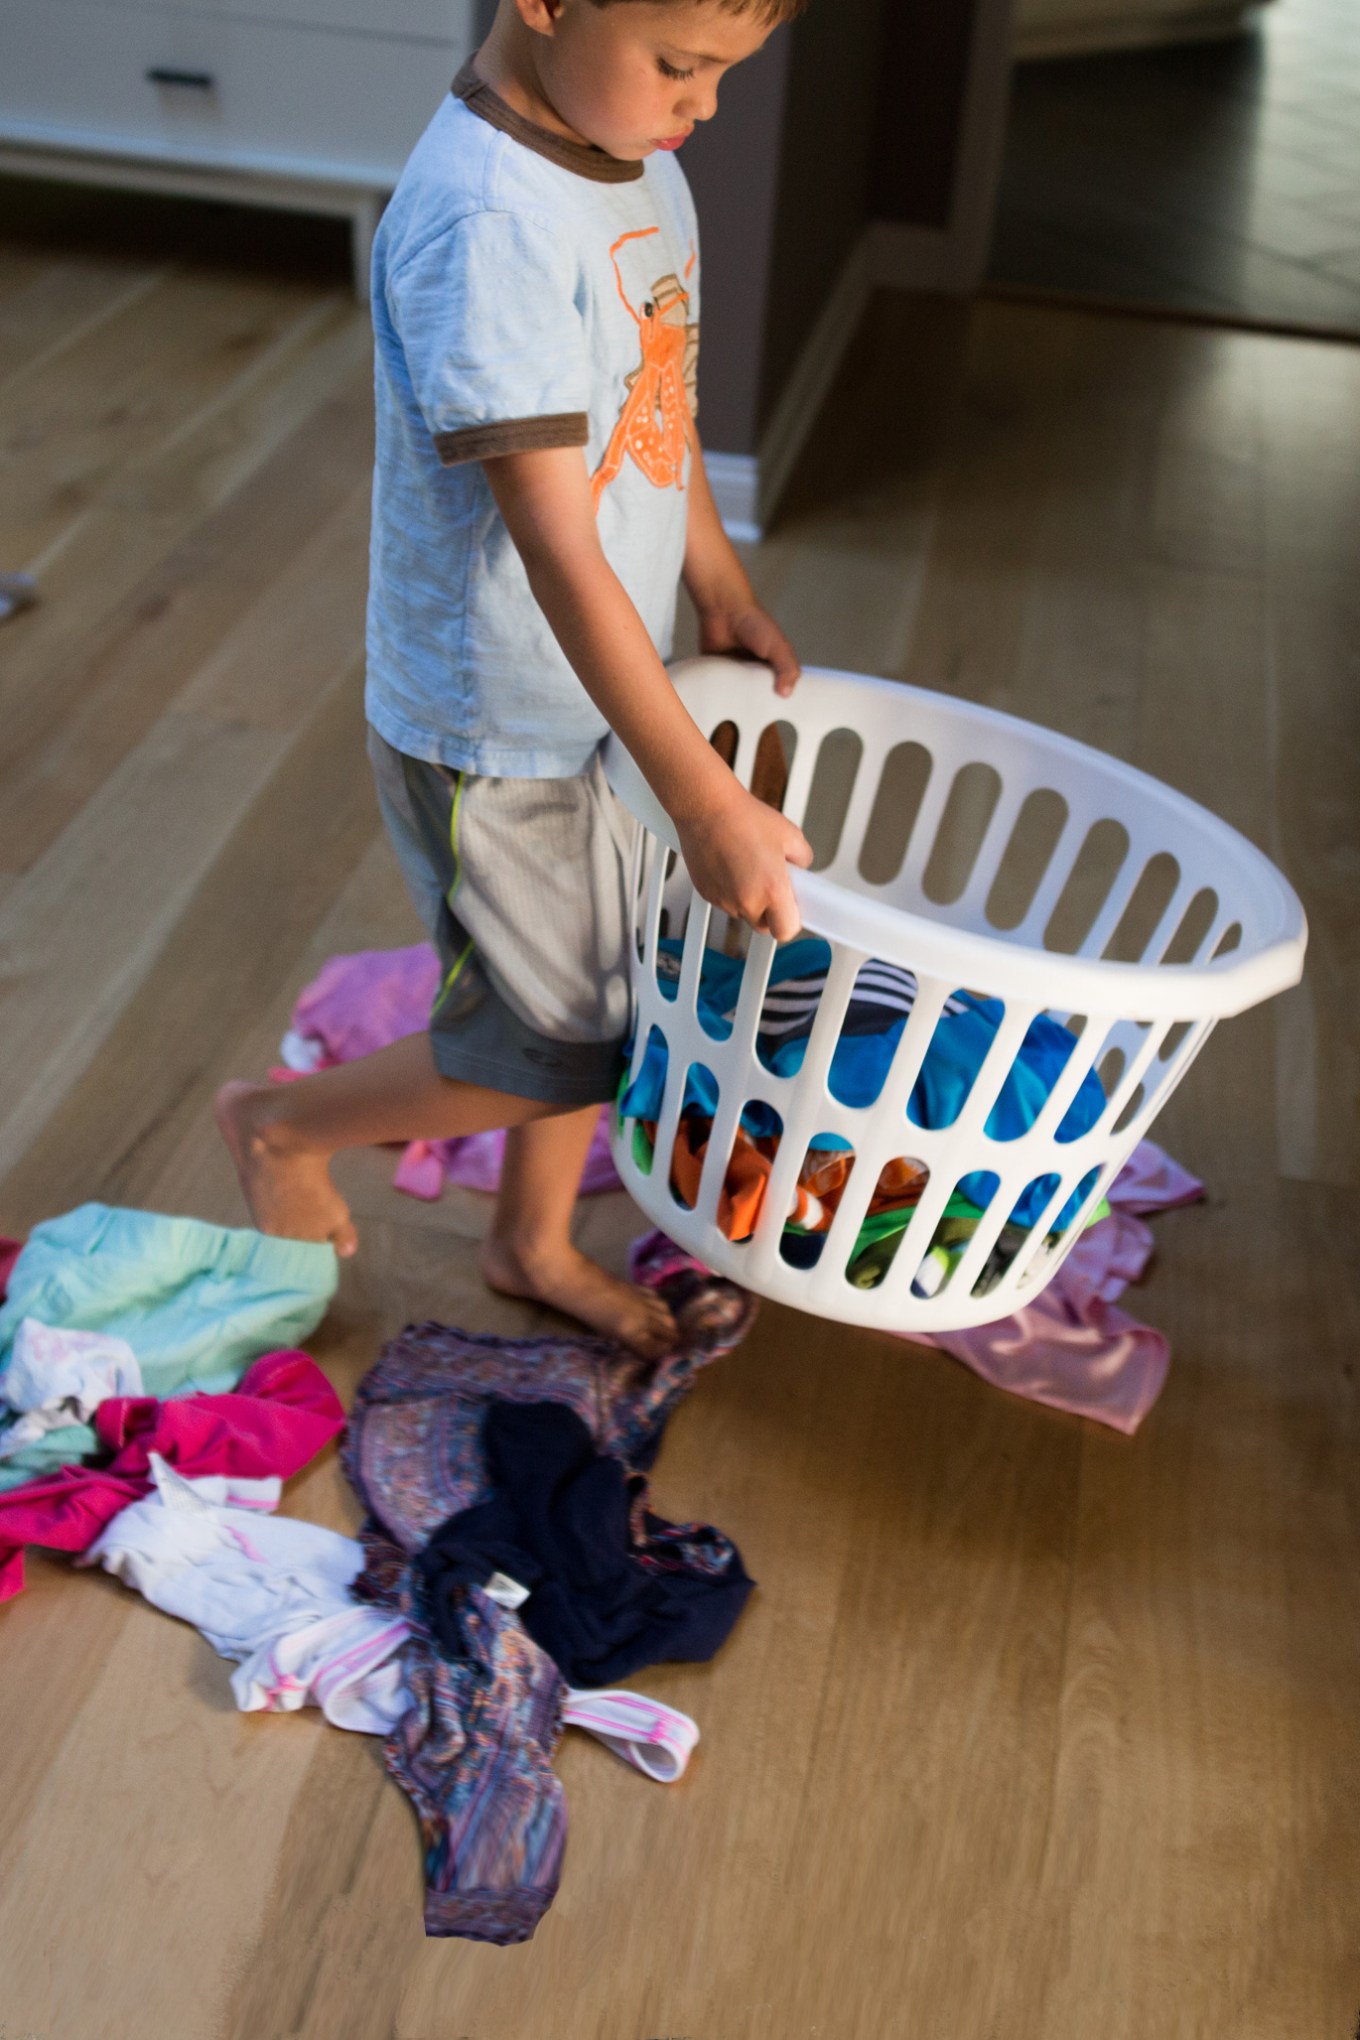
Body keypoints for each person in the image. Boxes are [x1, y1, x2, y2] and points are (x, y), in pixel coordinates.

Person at [217, 0, 812, 1357]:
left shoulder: (633, 152)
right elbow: (550, 541)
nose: (703, 104)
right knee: (546, 1039)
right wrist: (704, 794)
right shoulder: (488, 226)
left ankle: (529, 1242)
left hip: (605, 687)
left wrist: (713, 578)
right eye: (682, 65)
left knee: (600, 993)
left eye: (724, 71)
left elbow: (661, 398)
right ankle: (277, 1123)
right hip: (498, 721)